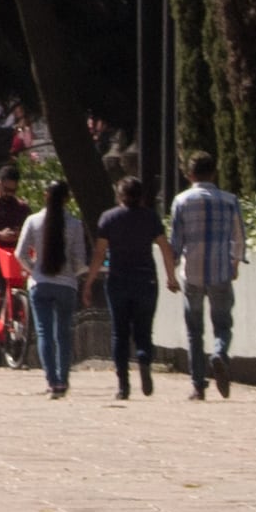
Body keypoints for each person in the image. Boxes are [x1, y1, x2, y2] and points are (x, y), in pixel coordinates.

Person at [164, 154, 245, 398]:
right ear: (214, 173)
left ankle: (198, 385)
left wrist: (171, 273)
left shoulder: (181, 201)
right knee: (222, 324)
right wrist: (235, 262)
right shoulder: (229, 200)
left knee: (194, 329)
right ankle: (219, 353)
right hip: (220, 269)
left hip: (192, 272)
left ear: (189, 175)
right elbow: (239, 235)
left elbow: (175, 241)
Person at [17, 187, 94, 395]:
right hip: (66, 285)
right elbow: (79, 259)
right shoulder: (75, 224)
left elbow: (20, 253)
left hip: (40, 284)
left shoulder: (33, 221)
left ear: (45, 196)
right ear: (68, 199)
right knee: (63, 333)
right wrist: (75, 273)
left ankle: (51, 381)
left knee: (44, 333)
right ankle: (63, 379)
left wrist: (34, 270)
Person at [94, 169, 163, 397]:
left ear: (120, 195)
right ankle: (143, 358)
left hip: (118, 280)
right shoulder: (151, 217)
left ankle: (123, 385)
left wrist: (90, 279)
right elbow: (165, 247)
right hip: (145, 279)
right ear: (141, 196)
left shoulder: (108, 218)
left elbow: (100, 252)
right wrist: (171, 276)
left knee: (119, 333)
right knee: (144, 330)